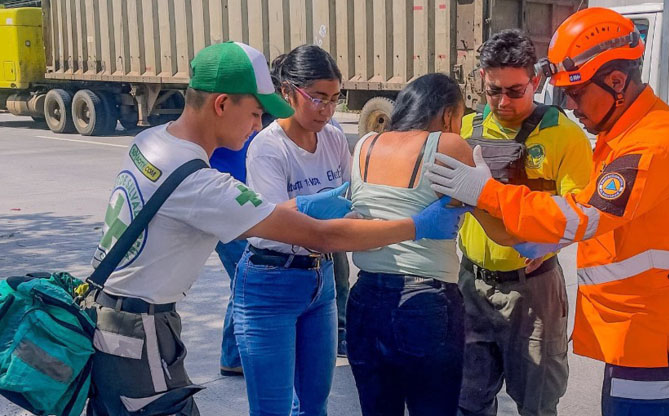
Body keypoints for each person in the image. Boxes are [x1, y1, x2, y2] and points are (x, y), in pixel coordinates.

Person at [85, 41, 470, 416]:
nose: (257, 125)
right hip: (137, 328)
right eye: (255, 112)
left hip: (132, 315)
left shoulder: (152, 141)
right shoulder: (202, 182)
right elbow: (321, 235)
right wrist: (417, 225)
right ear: (221, 104)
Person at [428, 8, 669, 416]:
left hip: (652, 333)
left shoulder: (650, 145)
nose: (570, 104)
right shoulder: (624, 134)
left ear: (616, 82)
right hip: (638, 330)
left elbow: (582, 216)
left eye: (575, 93)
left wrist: (489, 194)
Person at [346, 73, 517, 416]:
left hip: (365, 300)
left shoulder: (365, 145)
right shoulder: (447, 145)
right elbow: (500, 232)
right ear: (447, 115)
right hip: (425, 303)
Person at [456, 29, 592, 416]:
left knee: (537, 403)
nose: (502, 102)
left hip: (534, 293)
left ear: (535, 81)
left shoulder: (564, 136)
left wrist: (552, 242)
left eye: (515, 91)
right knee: (468, 401)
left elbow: (581, 212)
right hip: (472, 287)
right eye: (494, 90)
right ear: (482, 80)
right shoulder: (464, 131)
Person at [231, 44, 351, 415]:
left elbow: (354, 199)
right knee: (273, 408)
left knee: (315, 403)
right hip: (270, 284)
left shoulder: (332, 137)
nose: (326, 111)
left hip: (321, 279)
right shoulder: (268, 148)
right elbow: (272, 223)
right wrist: (315, 212)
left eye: (334, 99)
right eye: (317, 98)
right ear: (287, 92)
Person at [209, 114, 349, 377]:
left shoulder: (329, 134)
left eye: (333, 98)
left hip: (261, 215)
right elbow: (269, 218)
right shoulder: (258, 138)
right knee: (245, 278)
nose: (255, 121)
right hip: (237, 215)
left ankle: (233, 355)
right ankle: (234, 354)